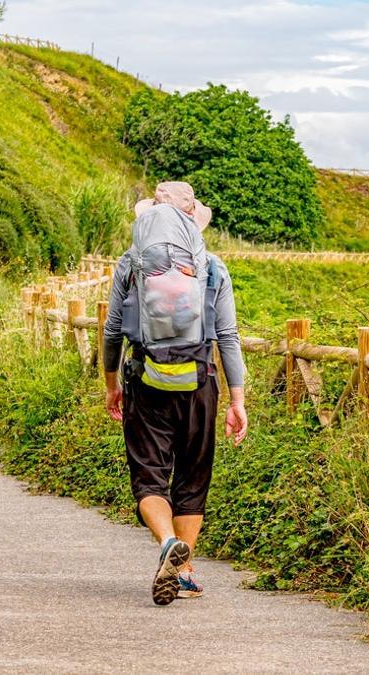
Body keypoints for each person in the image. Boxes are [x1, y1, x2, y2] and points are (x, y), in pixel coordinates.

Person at [101, 181, 248, 606]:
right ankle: (183, 572)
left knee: (149, 474)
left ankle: (167, 542)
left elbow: (112, 331)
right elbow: (228, 336)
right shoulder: (213, 267)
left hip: (145, 379)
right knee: (192, 475)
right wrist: (237, 400)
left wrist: (112, 385)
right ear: (192, 221)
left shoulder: (131, 265)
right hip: (200, 382)